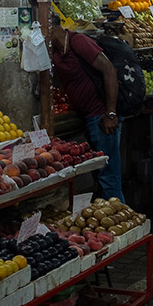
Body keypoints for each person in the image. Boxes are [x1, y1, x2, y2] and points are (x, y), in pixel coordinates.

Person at [47, 18, 125, 201]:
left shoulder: (78, 41)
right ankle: (107, 213)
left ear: (51, 28)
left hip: (102, 116)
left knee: (108, 175)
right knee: (99, 174)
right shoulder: (55, 52)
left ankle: (120, 214)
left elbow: (109, 70)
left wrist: (111, 113)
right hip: (87, 117)